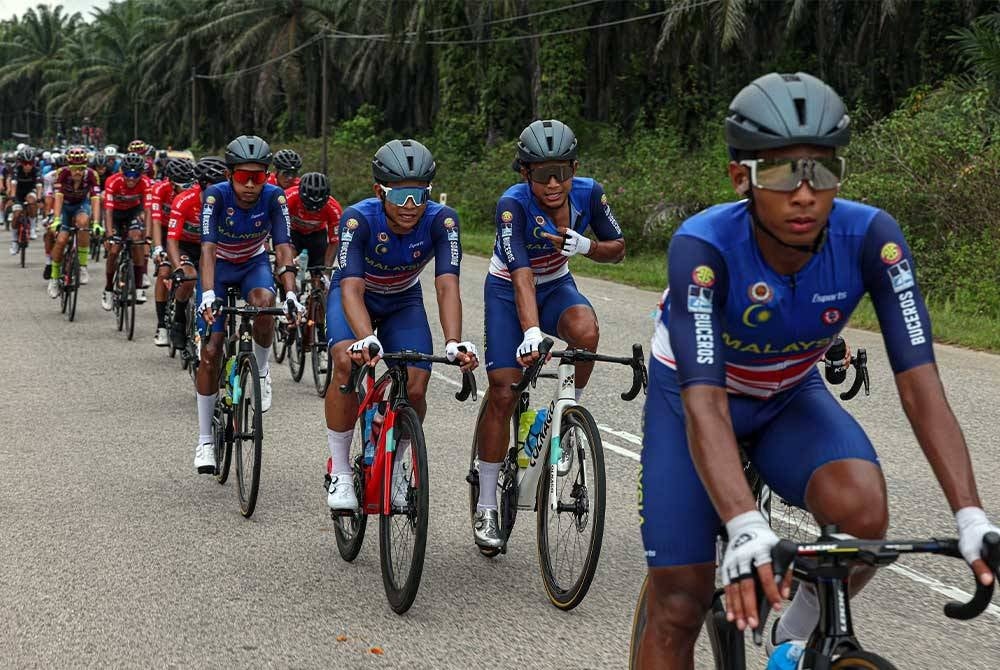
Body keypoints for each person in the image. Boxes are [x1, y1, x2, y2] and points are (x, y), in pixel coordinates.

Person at [634, 72, 1000, 670]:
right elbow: (704, 402)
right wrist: (745, 524)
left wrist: (970, 514)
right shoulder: (702, 247)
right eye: (782, 172)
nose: (804, 193)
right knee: (678, 601)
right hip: (693, 399)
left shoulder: (872, 238)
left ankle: (795, 639)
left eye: (822, 171)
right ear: (741, 178)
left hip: (787, 395)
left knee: (863, 519)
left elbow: (921, 386)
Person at [472, 119, 625, 549]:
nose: (554, 183)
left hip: (557, 283)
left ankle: (564, 414)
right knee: (503, 390)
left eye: (561, 171)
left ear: (574, 168)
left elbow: (619, 249)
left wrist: (587, 247)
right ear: (525, 173)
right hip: (508, 288)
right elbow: (520, 275)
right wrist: (532, 332)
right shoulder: (513, 205)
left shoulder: (590, 194)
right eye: (542, 174)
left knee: (586, 332)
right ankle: (486, 504)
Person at [323, 139, 477, 511]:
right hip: (355, 295)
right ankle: (340, 471)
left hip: (402, 300)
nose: (411, 205)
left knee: (417, 384)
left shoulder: (443, 221)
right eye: (400, 195)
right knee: (345, 361)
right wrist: (366, 338)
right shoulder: (358, 219)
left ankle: (393, 464)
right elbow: (352, 288)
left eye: (419, 195)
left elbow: (447, 285)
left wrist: (453, 341)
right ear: (379, 192)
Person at [193, 135, 299, 474]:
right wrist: (208, 294)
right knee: (212, 349)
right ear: (230, 175)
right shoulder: (215, 196)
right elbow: (207, 249)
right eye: (243, 176)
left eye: (258, 176)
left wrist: (291, 294)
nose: (251, 184)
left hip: (253, 263)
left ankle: (262, 371)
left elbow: (283, 247)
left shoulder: (275, 196)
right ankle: (205, 441)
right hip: (218, 267)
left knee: (266, 303)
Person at [165, 156, 228, 350]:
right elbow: (172, 239)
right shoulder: (184, 200)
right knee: (189, 277)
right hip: (184, 245)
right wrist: (177, 268)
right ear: (204, 185)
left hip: (209, 247)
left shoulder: (228, 201)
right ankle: (179, 320)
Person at [149, 158, 196, 346]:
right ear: (170, 182)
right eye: (181, 185)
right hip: (166, 232)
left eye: (188, 184)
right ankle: (161, 325)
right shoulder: (160, 189)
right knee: (164, 271)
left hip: (186, 234)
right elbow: (155, 220)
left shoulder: (193, 194)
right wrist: (157, 248)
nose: (185, 189)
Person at [47, 146, 101, 298]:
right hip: (64, 206)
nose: (78, 172)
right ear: (69, 167)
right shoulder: (62, 173)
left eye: (81, 168)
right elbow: (58, 198)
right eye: (74, 168)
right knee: (61, 240)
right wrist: (56, 219)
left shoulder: (92, 175)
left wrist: (97, 222)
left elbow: (95, 200)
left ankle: (82, 266)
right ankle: (54, 277)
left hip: (81, 205)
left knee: (83, 223)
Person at [101, 152, 151, 309]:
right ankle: (108, 289)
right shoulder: (112, 181)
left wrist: (148, 235)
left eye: (135, 175)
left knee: (137, 240)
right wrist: (109, 235)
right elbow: (108, 210)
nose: (131, 178)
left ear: (141, 174)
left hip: (132, 213)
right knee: (114, 250)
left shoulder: (146, 182)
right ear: (122, 171)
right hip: (115, 215)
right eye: (128, 174)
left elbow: (148, 210)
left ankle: (138, 287)